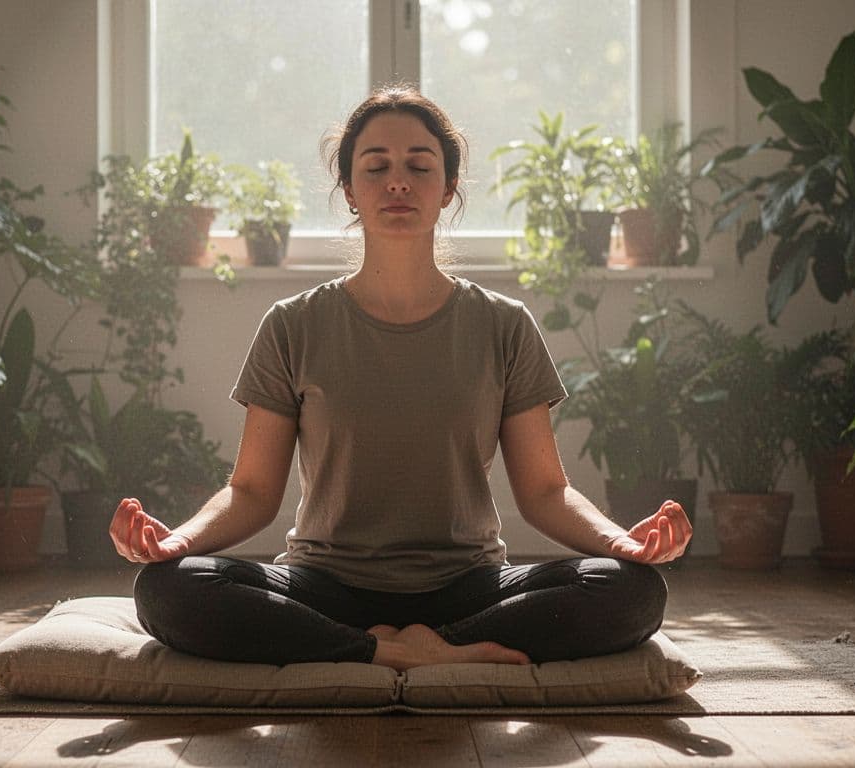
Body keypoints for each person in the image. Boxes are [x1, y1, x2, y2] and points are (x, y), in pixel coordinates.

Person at [110, 86, 692, 671]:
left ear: (448, 188)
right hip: (325, 586)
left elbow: (544, 492)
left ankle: (395, 647)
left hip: (468, 586)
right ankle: (403, 651)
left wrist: (621, 543)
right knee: (168, 588)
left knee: (632, 590)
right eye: (376, 167)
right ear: (349, 189)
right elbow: (253, 493)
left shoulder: (504, 325)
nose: (397, 183)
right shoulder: (292, 325)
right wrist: (178, 541)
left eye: (419, 166)